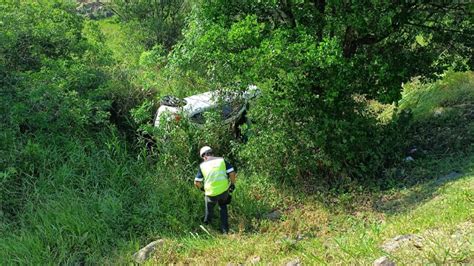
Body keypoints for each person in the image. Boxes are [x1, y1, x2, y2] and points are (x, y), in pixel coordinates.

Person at [194, 146, 236, 234]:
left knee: (209, 210)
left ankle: (207, 226)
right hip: (224, 191)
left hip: (210, 194)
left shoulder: (202, 166)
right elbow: (232, 173)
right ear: (212, 153)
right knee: (223, 208)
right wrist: (232, 184)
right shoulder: (222, 160)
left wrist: (202, 189)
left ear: (204, 156)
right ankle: (225, 231)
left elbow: (197, 182)